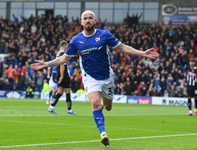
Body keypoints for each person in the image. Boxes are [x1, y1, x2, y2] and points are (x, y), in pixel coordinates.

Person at [31, 10, 159, 146]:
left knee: (108, 107)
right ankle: (103, 133)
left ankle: (103, 106)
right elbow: (64, 58)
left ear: (95, 21)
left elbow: (122, 47)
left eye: (90, 18)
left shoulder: (104, 35)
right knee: (95, 103)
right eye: (85, 18)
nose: (88, 20)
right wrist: (46, 64)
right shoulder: (76, 40)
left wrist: (142, 54)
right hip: (89, 77)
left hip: (107, 77)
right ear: (81, 22)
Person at [47, 40, 77, 115]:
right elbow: (62, 65)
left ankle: (51, 106)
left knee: (60, 92)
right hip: (63, 74)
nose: (67, 47)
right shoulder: (62, 53)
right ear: (64, 45)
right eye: (67, 46)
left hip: (58, 74)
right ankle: (69, 110)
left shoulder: (57, 53)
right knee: (67, 92)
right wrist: (62, 76)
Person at [179, 47, 197, 116]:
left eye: (192, 62)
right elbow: (182, 62)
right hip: (189, 86)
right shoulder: (187, 68)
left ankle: (195, 110)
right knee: (189, 97)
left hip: (195, 86)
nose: (190, 63)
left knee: (196, 98)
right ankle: (190, 111)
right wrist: (180, 54)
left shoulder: (196, 70)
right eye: (190, 62)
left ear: (194, 63)